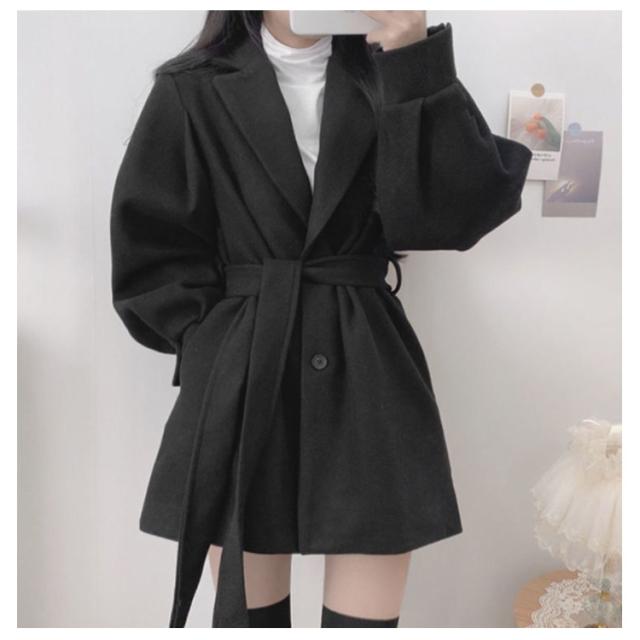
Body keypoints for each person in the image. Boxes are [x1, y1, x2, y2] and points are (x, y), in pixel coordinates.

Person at [110, 10, 532, 628]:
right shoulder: (191, 88)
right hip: (244, 376)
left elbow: (455, 216)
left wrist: (416, 61)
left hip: (369, 373)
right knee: (251, 620)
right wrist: (214, 346)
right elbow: (150, 248)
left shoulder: (393, 73)